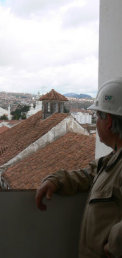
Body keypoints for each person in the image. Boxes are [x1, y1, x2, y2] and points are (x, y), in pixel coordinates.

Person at [35, 78, 122, 258]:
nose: (95, 122)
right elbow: (90, 173)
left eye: (98, 116)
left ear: (108, 122)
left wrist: (114, 245)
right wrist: (57, 180)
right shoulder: (113, 159)